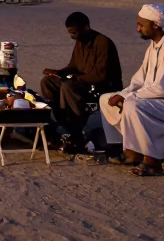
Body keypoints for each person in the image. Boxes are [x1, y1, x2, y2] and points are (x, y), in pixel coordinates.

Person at [99, 4, 164, 176]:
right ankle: (128, 149)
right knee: (105, 99)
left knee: (133, 104)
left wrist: (129, 97)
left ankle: (153, 160)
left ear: (155, 24)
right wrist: (121, 95)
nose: (137, 28)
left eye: (141, 24)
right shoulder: (153, 47)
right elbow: (139, 81)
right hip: (157, 98)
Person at [39, 11, 123, 152]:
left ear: (86, 28)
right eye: (70, 33)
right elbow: (74, 66)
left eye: (74, 32)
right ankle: (61, 120)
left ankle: (75, 128)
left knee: (68, 86)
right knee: (47, 82)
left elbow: (100, 76)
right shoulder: (80, 42)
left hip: (100, 86)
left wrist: (74, 78)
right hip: (81, 82)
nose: (72, 36)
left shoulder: (103, 43)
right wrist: (58, 72)